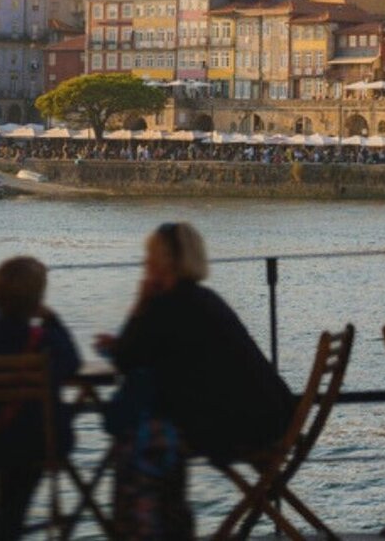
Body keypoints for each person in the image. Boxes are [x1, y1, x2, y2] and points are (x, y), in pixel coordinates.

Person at [100, 222, 293, 540]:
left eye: (150, 258)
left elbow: (127, 357)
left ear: (165, 262)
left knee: (138, 441)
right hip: (272, 416)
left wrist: (140, 300)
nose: (145, 265)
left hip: (244, 426)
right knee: (157, 435)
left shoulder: (170, 304)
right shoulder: (203, 299)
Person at [0, 257, 81, 541]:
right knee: (20, 473)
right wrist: (52, 319)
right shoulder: (45, 342)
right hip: (34, 448)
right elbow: (72, 361)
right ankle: (4, 525)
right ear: (37, 300)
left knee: (7, 462)